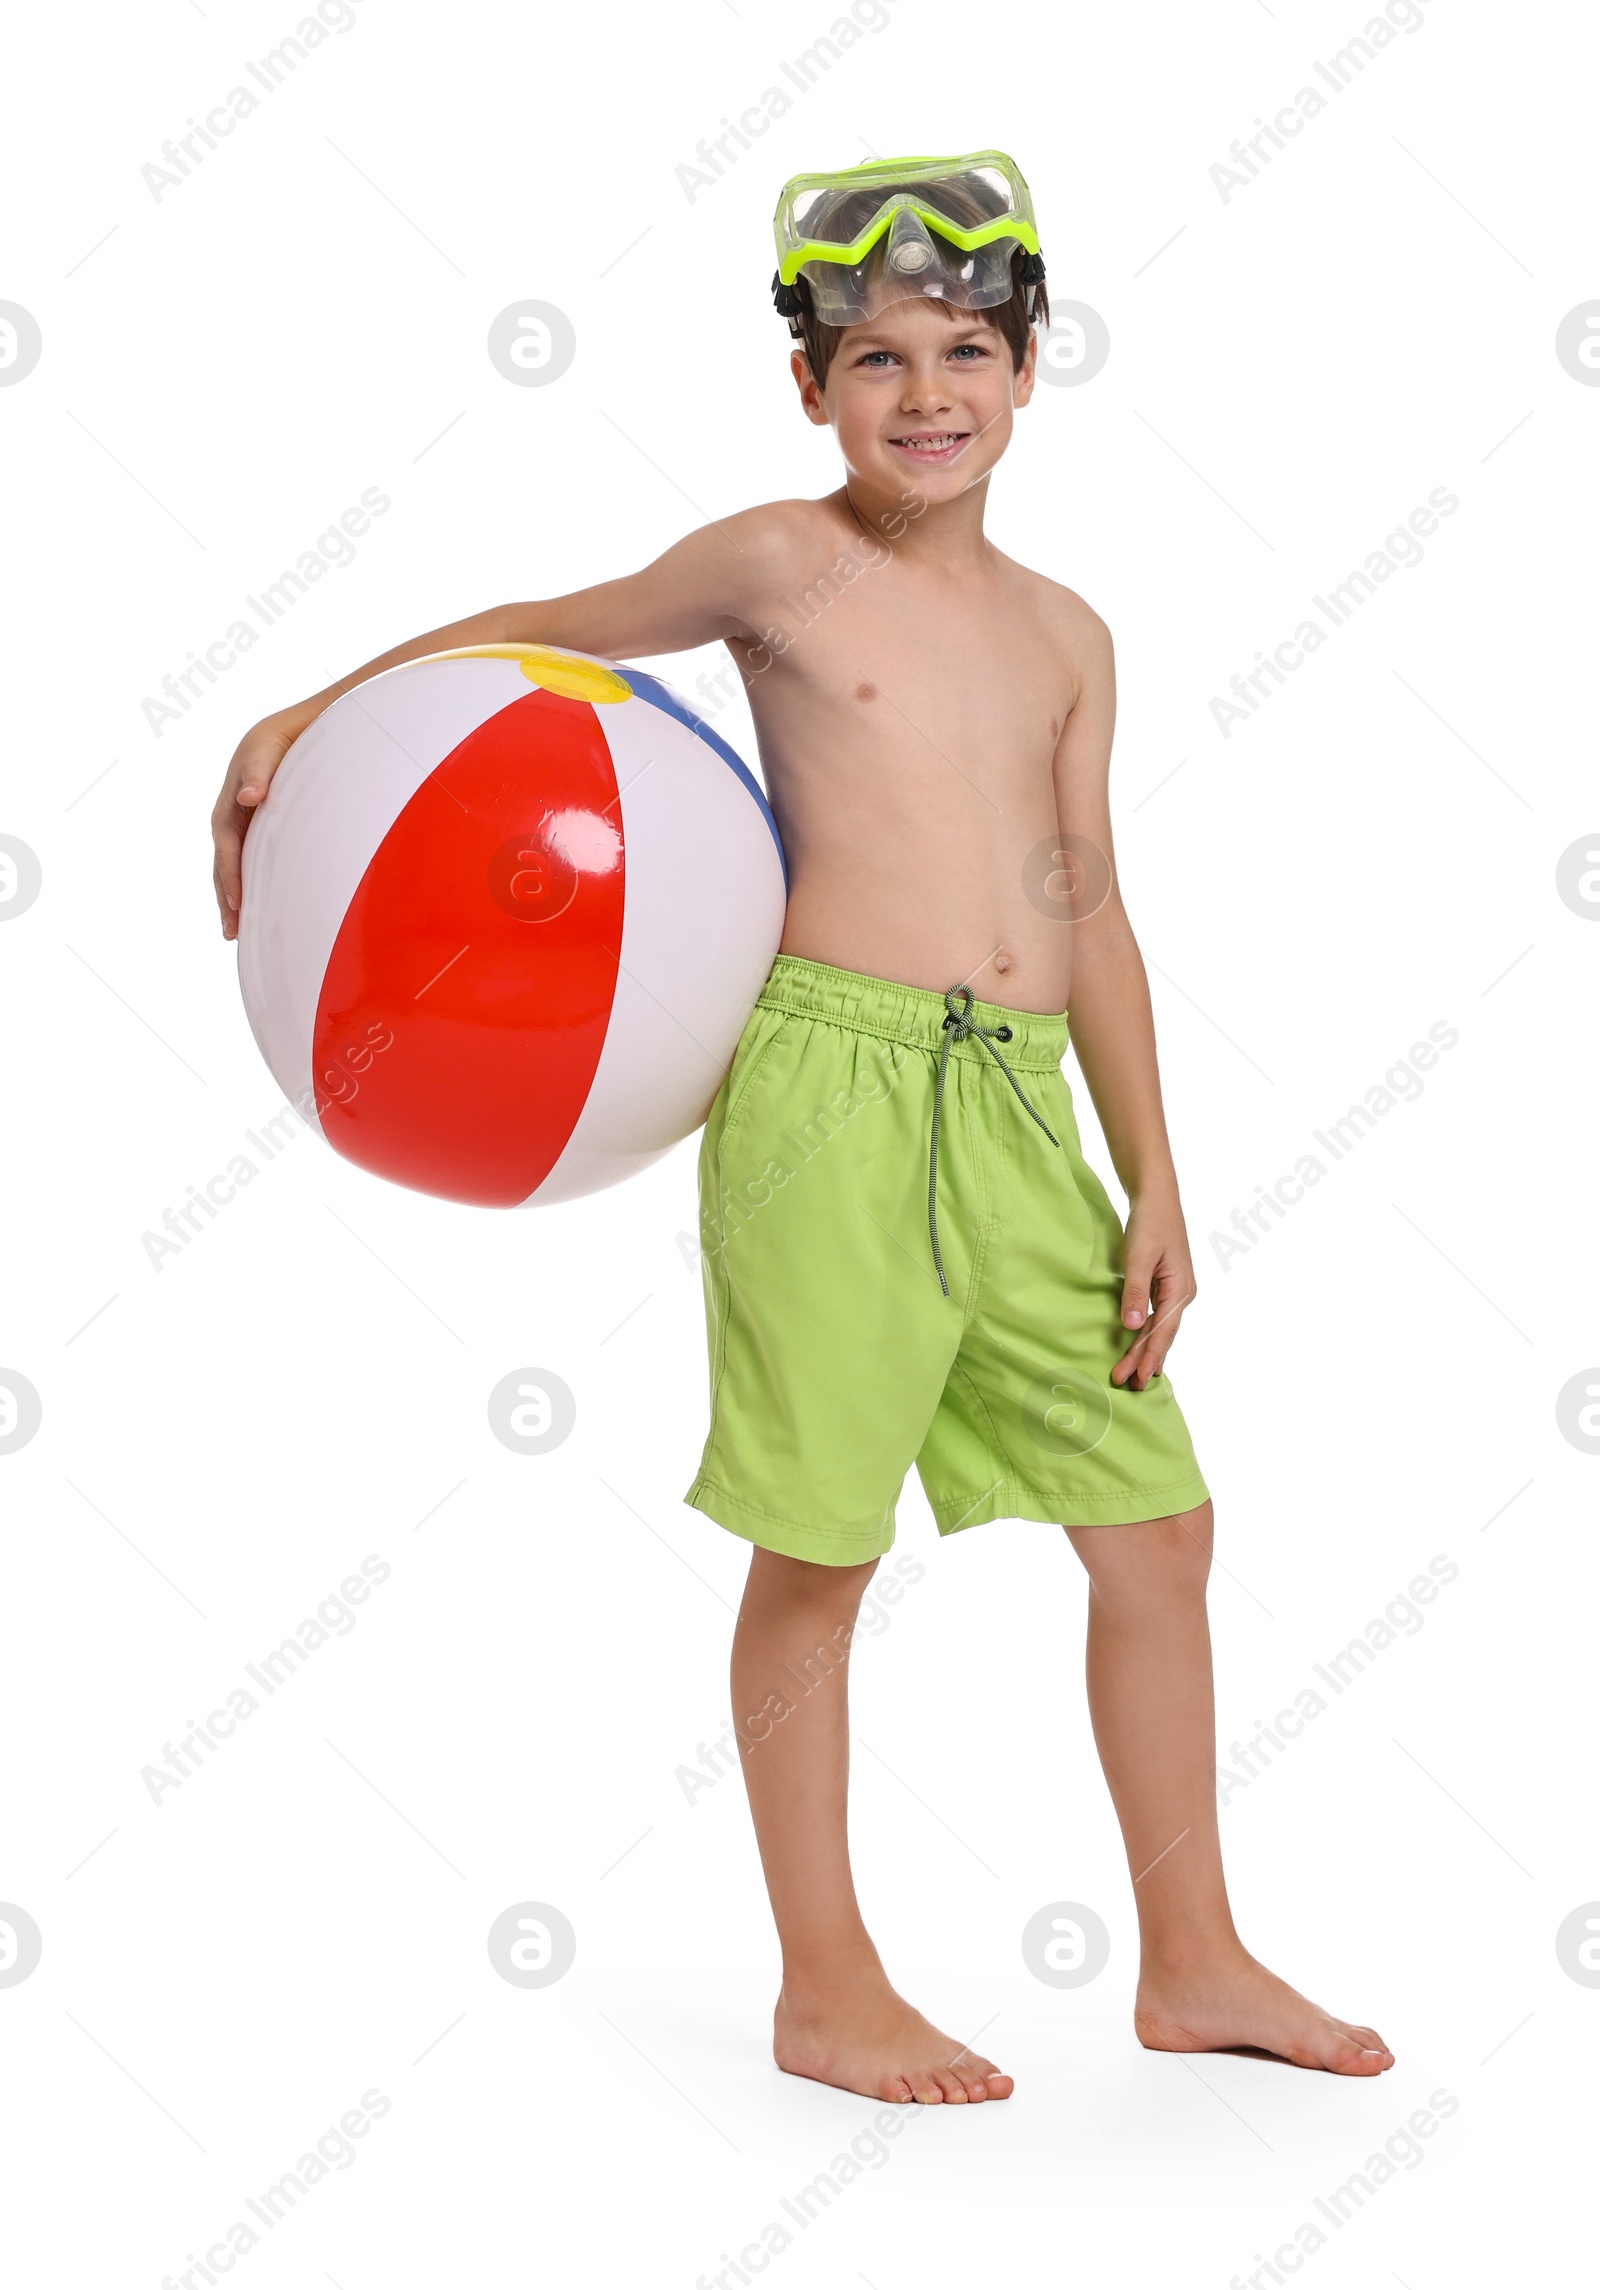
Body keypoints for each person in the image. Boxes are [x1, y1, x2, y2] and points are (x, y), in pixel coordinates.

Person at [211, 151, 1393, 2106]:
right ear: (806, 392)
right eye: (870, 359)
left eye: (959, 350)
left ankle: (1187, 1955)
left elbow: (1086, 900)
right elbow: (541, 630)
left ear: (1028, 369)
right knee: (821, 1540)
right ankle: (823, 1981)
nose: (920, 392)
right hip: (826, 1094)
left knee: (1159, 1526)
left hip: (1015, 1112)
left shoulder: (1068, 635)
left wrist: (1155, 1168)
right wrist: (308, 719)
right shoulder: (778, 563)